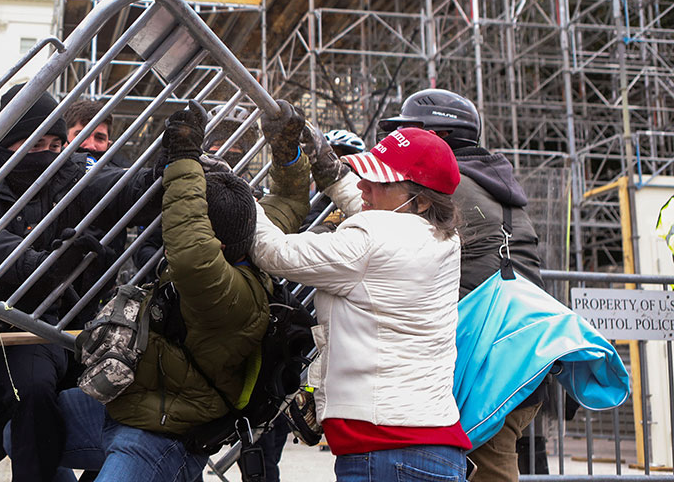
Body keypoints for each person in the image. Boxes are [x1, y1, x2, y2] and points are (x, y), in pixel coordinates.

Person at [0, 83, 160, 482]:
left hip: (42, 321)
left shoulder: (67, 169)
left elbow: (116, 188)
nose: (45, 155)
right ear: (5, 142)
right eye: (33, 145)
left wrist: (162, 173)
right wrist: (41, 266)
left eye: (54, 144)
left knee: (34, 398)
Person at [90, 99, 310, 481]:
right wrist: (286, 151)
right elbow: (289, 199)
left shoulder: (225, 289)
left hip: (163, 432)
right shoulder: (252, 240)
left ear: (217, 244)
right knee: (32, 427)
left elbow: (190, 245)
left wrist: (185, 158)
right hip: (136, 402)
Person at [251, 124, 471, 481]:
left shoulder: (374, 238)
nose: (363, 186)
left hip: (385, 449)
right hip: (429, 445)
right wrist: (331, 173)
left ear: (423, 198)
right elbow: (385, 213)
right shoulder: (442, 236)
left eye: (380, 182)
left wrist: (239, 195)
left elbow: (275, 253)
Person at [381, 88, 547, 479]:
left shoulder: (447, 190)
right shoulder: (498, 188)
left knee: (489, 466)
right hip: (521, 350)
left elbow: (384, 244)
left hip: (488, 361)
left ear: (438, 138)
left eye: (412, 137)